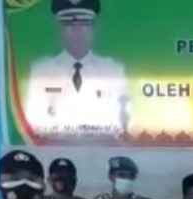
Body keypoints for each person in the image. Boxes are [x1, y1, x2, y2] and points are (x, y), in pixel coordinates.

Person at [23, 0, 129, 138]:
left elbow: (122, 123)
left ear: (93, 29)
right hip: (55, 149)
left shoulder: (112, 71)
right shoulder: (42, 71)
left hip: (101, 148)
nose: (77, 31)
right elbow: (35, 123)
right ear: (60, 30)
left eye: (84, 24)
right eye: (69, 24)